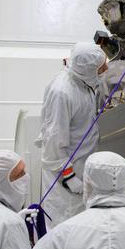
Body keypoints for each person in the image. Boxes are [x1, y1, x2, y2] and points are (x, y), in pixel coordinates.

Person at [37, 42, 108, 229]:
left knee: (83, 230)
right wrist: (69, 179)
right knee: (66, 229)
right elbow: (53, 143)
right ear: (89, 70)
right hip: (65, 182)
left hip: (82, 170)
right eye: (102, 67)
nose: (106, 69)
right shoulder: (62, 92)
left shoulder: (85, 81)